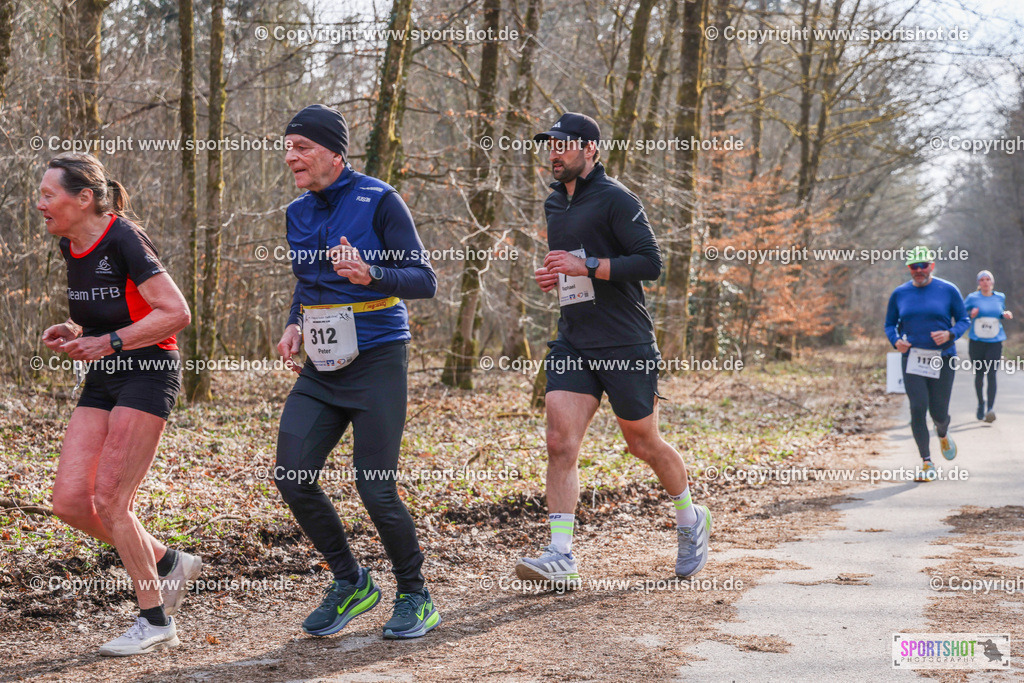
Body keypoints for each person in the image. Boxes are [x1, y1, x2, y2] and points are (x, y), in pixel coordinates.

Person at [515, 113, 711, 587]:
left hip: (625, 342)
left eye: (561, 145)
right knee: (560, 442)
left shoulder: (618, 198)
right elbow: (573, 268)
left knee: (642, 443)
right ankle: (561, 554)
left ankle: (690, 518)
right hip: (574, 339)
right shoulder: (553, 204)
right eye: (549, 146)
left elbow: (650, 263)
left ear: (590, 149)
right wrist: (557, 275)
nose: (552, 153)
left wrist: (586, 265)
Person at [274, 104, 440, 639]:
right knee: (292, 475)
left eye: (302, 147)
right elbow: (308, 281)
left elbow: (424, 279)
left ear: (334, 152)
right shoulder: (297, 211)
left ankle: (416, 594)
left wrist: (371, 273)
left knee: (375, 488)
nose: (290, 156)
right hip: (322, 362)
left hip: (377, 356)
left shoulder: (379, 199)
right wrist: (295, 322)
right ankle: (351, 581)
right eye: (288, 146)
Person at [38, 153, 201, 656]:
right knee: (69, 501)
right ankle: (170, 562)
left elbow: (176, 313)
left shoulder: (123, 238)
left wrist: (108, 344)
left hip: (149, 373)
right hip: (105, 376)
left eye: (48, 195)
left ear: (83, 198)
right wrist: (75, 332)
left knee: (111, 500)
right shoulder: (71, 244)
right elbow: (106, 313)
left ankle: (155, 621)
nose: (38, 203)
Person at [884, 246, 970, 482]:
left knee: (939, 412)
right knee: (917, 408)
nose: (919, 270)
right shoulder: (899, 293)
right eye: (914, 266)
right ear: (909, 268)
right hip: (912, 359)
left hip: (943, 359)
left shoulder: (948, 289)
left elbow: (963, 320)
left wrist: (950, 334)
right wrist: (896, 341)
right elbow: (890, 324)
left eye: (924, 266)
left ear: (932, 266)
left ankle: (942, 431)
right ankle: (927, 463)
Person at [964, 270, 1012, 422]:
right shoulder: (972, 298)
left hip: (995, 341)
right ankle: (981, 404)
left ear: (992, 282)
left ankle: (990, 409)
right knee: (979, 375)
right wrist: (971, 315)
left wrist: (1005, 314)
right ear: (979, 283)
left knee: (992, 374)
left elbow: (999, 312)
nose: (985, 282)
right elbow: (961, 315)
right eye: (982, 279)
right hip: (977, 341)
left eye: (988, 279)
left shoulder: (1000, 297)